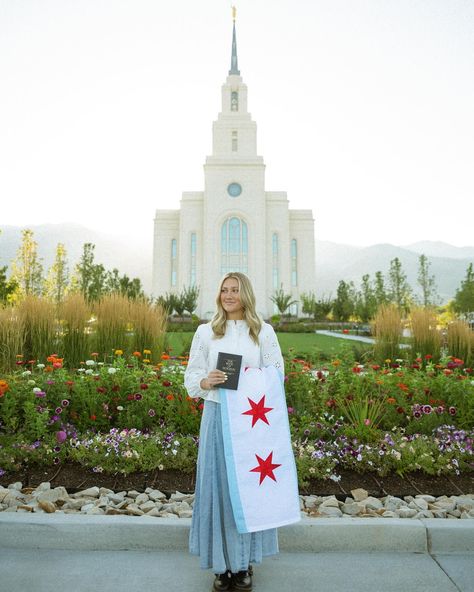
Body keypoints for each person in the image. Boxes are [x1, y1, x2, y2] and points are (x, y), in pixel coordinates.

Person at [184, 272, 285, 592]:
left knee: (246, 490)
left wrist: (250, 378)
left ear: (246, 295)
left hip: (251, 422)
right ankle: (221, 565)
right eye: (224, 290)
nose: (228, 295)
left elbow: (277, 374)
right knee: (219, 488)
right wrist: (206, 381)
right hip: (217, 415)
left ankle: (244, 564)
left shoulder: (263, 333)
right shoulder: (206, 332)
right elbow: (191, 378)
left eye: (235, 290)